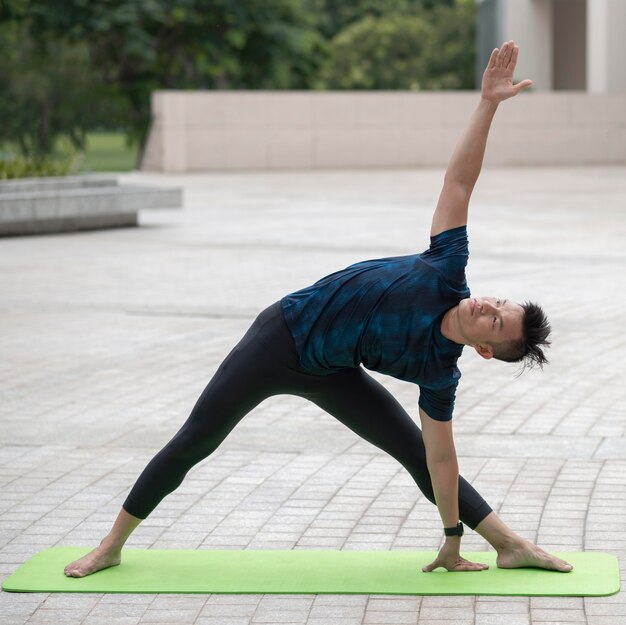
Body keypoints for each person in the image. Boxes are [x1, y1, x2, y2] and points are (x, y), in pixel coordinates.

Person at [64, 41, 572, 578]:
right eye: (498, 300)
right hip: (280, 338)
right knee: (198, 439)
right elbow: (459, 182)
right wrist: (488, 104)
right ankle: (112, 545)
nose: (487, 304)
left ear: (486, 350)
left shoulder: (438, 373)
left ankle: (509, 544)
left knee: (415, 451)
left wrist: (450, 538)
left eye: (494, 319)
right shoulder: (447, 267)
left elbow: (442, 461)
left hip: (331, 372)